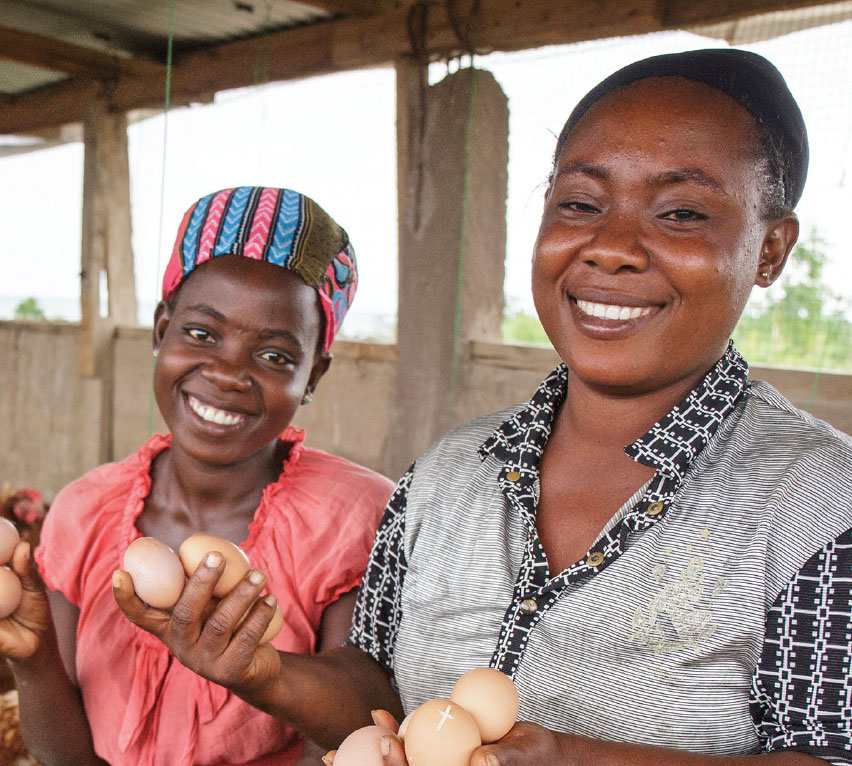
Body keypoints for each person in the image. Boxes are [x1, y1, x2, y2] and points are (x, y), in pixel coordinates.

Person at [116, 50, 852, 765]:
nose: (613, 247)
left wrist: (576, 760)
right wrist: (261, 673)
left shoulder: (817, 504)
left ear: (770, 251)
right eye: (581, 204)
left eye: (682, 211)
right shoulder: (449, 475)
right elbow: (379, 694)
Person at [0, 186, 394, 766]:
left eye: (275, 356)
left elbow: (357, 733)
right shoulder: (85, 512)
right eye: (202, 335)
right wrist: (32, 662)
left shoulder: (353, 520)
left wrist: (260, 674)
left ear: (315, 376)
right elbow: (68, 758)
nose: (229, 374)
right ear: (162, 332)